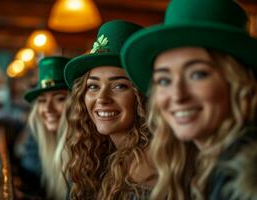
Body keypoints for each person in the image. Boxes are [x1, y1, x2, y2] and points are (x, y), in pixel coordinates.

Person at [121, 0, 257, 199]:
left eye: (198, 75)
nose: (178, 95)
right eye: (164, 80)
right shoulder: (195, 165)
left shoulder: (248, 178)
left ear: (238, 83)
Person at [63, 20, 156, 200]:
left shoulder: (148, 165)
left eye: (119, 86)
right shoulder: (103, 153)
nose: (102, 98)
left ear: (144, 96)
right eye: (93, 86)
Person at [23, 56, 70, 199]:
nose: (48, 108)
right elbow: (28, 171)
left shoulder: (86, 151)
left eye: (60, 99)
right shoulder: (40, 136)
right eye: (42, 100)